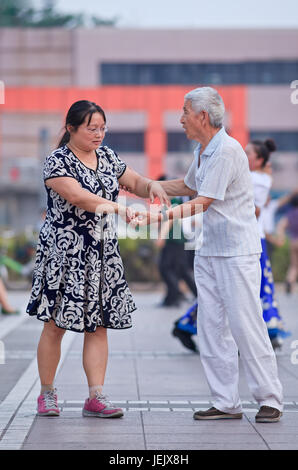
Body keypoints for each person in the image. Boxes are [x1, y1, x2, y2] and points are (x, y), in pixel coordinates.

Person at [134, 87, 283, 423]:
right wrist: (141, 186)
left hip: (236, 252)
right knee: (211, 326)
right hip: (208, 249)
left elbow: (203, 201)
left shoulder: (228, 151)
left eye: (185, 111)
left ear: (203, 115)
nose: (181, 118)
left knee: (246, 325)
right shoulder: (203, 151)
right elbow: (188, 186)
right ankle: (226, 401)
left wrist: (158, 216)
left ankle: (270, 398)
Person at [26, 100, 169, 418]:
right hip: (65, 253)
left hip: (101, 253)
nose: (99, 134)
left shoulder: (108, 157)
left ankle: (96, 396)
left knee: (99, 326)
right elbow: (78, 197)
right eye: (92, 128)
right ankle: (47, 393)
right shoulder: (57, 161)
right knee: (54, 325)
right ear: (71, 128)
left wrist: (153, 187)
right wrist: (120, 208)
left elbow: (137, 182)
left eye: (103, 128)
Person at [246, 138, 290, 349]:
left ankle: (269, 331)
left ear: (260, 159)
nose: (243, 158)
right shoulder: (263, 178)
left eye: (248, 155)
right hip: (255, 237)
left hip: (253, 238)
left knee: (259, 286)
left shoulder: (253, 178)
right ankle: (269, 330)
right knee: (261, 286)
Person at [276, 194, 298, 294]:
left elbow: (281, 226)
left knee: (294, 265)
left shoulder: (290, 214)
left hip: (293, 241)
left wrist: (281, 237)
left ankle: (289, 281)